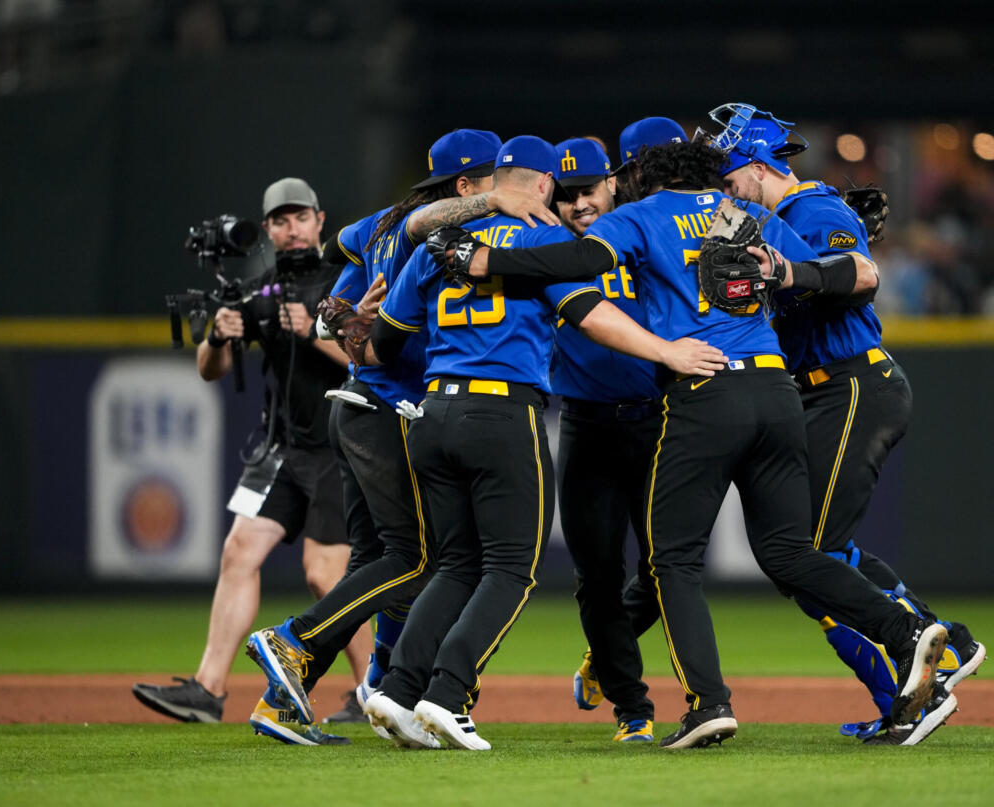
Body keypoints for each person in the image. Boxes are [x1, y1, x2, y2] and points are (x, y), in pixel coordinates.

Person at [432, 140, 951, 750]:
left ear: (645, 177)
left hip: (705, 390)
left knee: (672, 560)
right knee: (788, 551)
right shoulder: (746, 217)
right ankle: (904, 627)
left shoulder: (640, 215)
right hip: (777, 390)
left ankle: (708, 703)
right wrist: (794, 269)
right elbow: (862, 274)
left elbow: (574, 262)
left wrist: (486, 261)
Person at [356, 135, 725, 751]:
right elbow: (586, 311)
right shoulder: (545, 240)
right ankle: (447, 696)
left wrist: (339, 322)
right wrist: (666, 351)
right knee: (510, 569)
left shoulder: (438, 247)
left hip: (435, 411)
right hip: (501, 413)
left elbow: (383, 345)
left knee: (455, 565)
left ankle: (394, 690)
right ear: (546, 186)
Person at [708, 103, 985, 745]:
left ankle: (930, 669)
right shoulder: (765, 218)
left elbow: (863, 275)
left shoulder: (814, 208)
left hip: (852, 381)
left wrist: (786, 268)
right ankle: (934, 659)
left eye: (727, 173)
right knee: (803, 558)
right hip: (822, 389)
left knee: (805, 552)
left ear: (754, 164)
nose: (722, 187)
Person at [243, 130, 511, 741]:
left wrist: (345, 317)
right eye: (494, 178)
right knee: (417, 560)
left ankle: (287, 701)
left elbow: (327, 312)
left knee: (376, 560)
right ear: (465, 186)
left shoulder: (376, 226)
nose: (505, 188)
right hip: (390, 409)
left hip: (358, 406)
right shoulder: (443, 229)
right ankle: (294, 640)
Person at [132, 178, 371, 744]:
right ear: (267, 229)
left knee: (325, 574)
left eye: (300, 218)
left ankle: (370, 690)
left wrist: (314, 331)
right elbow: (209, 369)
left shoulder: (346, 280)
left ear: (319, 220)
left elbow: (371, 354)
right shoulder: (260, 290)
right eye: (280, 220)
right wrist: (218, 336)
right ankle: (208, 689)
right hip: (281, 449)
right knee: (239, 549)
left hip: (341, 447)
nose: (291, 229)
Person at [550, 136, 661, 742]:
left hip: (656, 419)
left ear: (614, 184)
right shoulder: (549, 249)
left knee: (666, 566)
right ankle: (633, 709)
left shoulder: (646, 235)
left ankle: (603, 655)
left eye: (587, 190)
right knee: (595, 572)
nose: (578, 205)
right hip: (587, 425)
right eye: (565, 195)